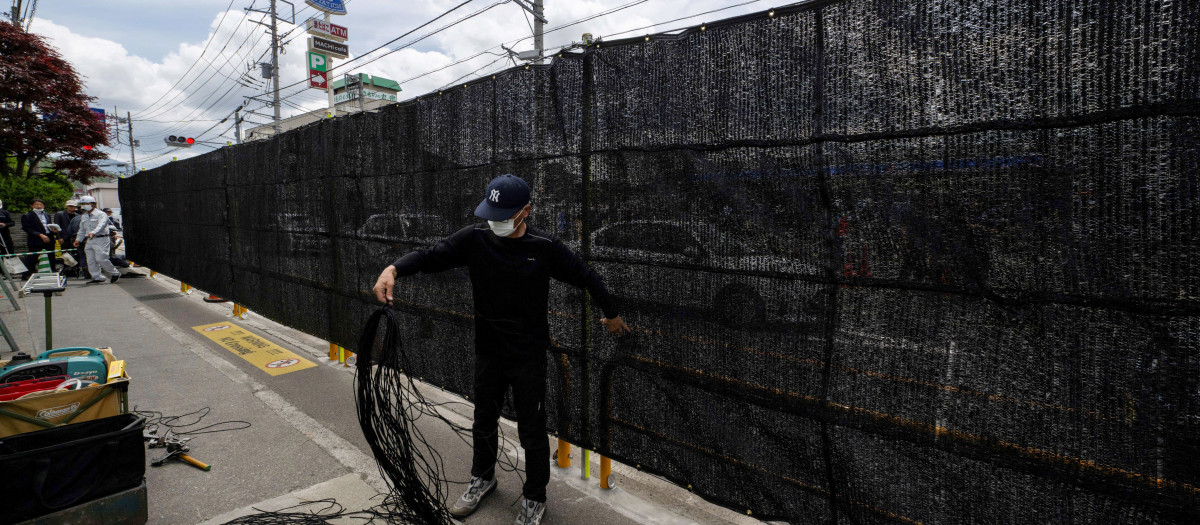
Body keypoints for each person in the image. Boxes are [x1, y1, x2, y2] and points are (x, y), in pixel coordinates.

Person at [372, 174, 630, 525]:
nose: (496, 223)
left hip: (528, 355)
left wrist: (612, 314)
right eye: (492, 214)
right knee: (483, 419)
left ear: (525, 212)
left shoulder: (544, 247)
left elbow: (586, 275)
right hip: (489, 351)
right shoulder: (475, 239)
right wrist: (393, 269)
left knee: (532, 431)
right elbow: (431, 256)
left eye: (504, 216)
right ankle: (483, 478)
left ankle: (534, 498)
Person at [73, 196, 121, 284]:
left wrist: (93, 232)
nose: (84, 206)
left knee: (101, 259)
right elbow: (82, 230)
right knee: (90, 260)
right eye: (83, 204)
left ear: (93, 204)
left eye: (86, 204)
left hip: (101, 239)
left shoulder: (101, 214)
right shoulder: (84, 216)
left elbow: (101, 225)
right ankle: (97, 277)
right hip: (90, 240)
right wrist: (78, 240)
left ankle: (115, 273)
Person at [20, 198, 52, 278]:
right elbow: (26, 228)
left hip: (48, 238)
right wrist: (39, 235)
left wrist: (54, 230)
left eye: (40, 204)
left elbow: (48, 226)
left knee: (50, 256)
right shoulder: (27, 215)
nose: (38, 206)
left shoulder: (47, 215)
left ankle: (51, 273)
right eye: (36, 204)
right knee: (32, 257)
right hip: (35, 239)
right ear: (32, 205)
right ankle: (27, 274)